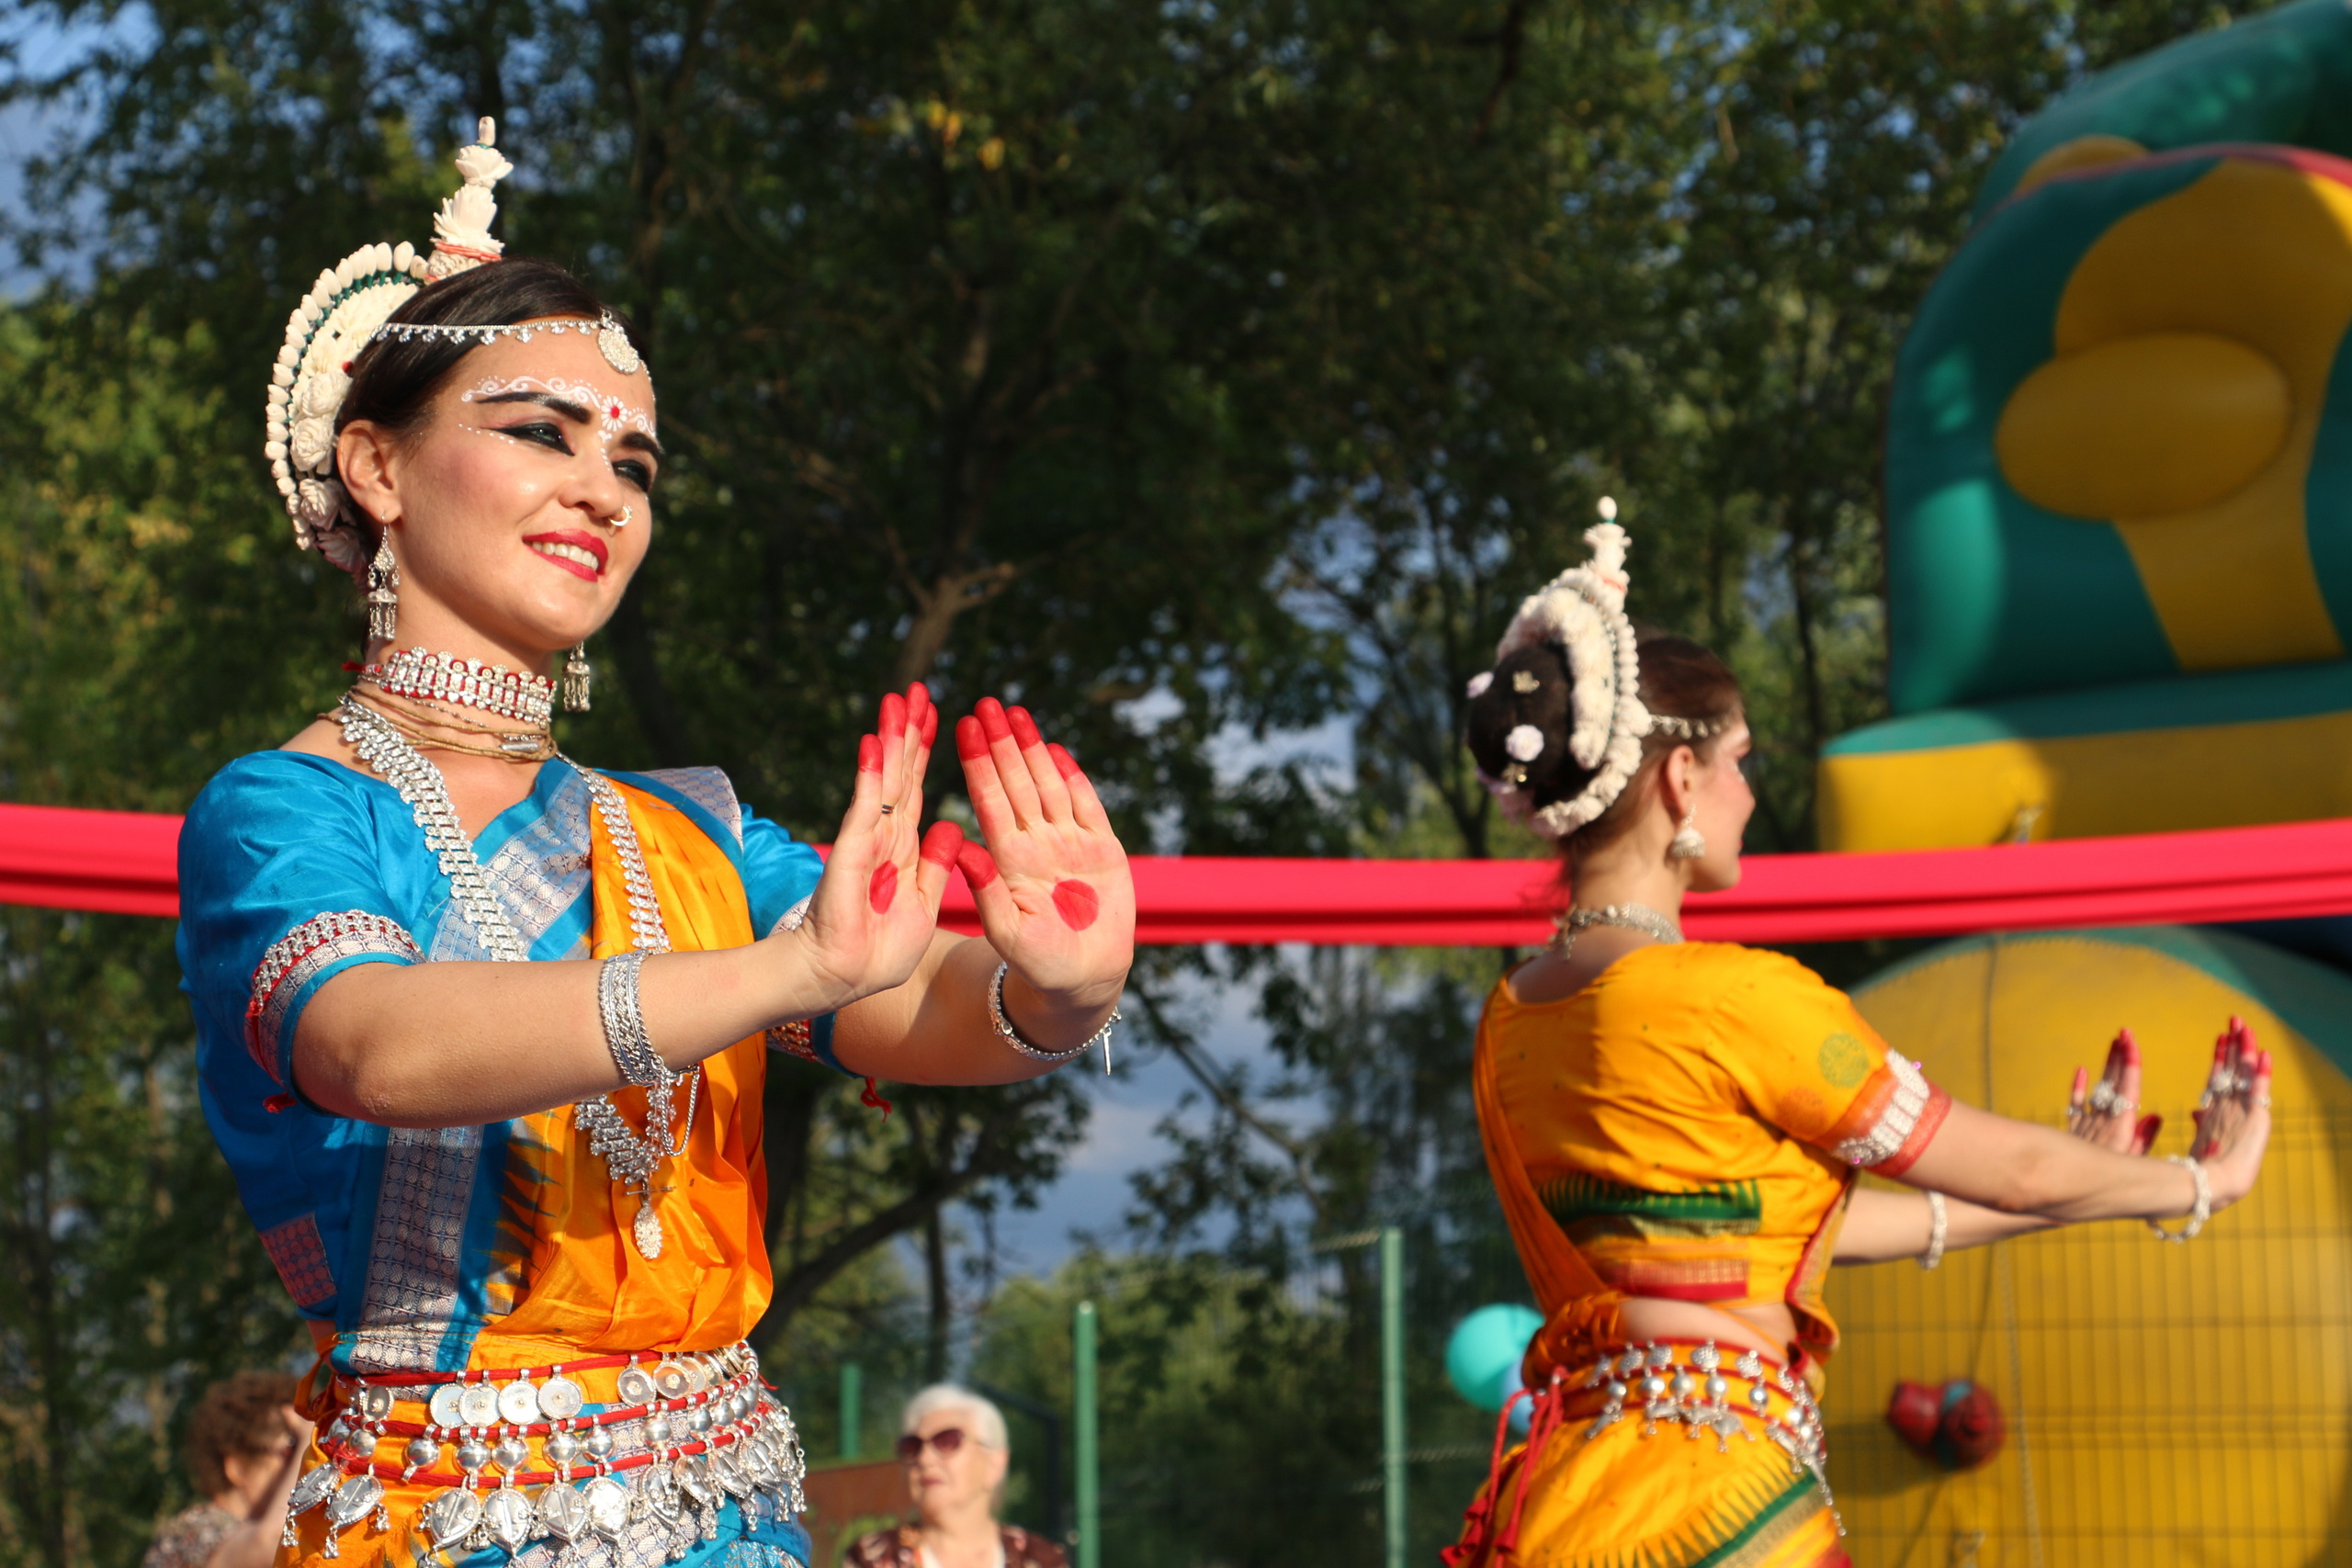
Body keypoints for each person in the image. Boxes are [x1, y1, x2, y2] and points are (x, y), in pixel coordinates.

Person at [176, 119, 1134, 1568]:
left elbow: (889, 987)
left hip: (731, 1520)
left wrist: (1054, 994)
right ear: (376, 463)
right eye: (541, 432)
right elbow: (370, 1041)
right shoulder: (286, 810)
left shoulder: (682, 828)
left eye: (635, 460)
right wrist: (777, 970)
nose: (605, 489)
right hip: (445, 1529)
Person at [1442, 512, 2272, 1568]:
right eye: (1738, 761)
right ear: (1679, 781)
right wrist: (2202, 1182)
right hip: (1718, 1510)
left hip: (1572, 1508)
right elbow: (2011, 1166)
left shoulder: (1512, 1023)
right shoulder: (1738, 1000)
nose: (1751, 794)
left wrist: (2077, 1186)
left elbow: (1760, 1248)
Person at [845, 1386, 1064, 1568]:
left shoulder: (1042, 1559)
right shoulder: (871, 1558)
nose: (925, 1458)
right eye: (912, 1447)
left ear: (994, 1463)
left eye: (948, 1441)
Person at [144, 1372, 314, 1568]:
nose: (302, 1464)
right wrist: (308, 1442)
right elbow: (273, 1543)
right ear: (238, 1468)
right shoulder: (195, 1532)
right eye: (290, 1451)